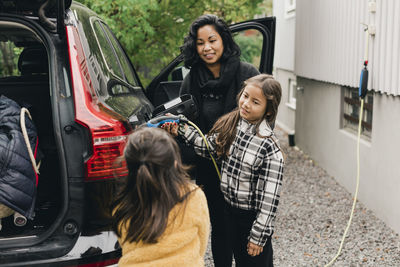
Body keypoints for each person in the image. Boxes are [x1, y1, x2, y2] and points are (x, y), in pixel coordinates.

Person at [164, 74, 284, 267]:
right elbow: (208, 147)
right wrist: (181, 129)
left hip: (250, 220)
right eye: (245, 96)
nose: (246, 104)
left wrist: (258, 237)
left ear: (268, 111)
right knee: (236, 257)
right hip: (230, 213)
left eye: (255, 102)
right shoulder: (233, 126)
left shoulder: (269, 147)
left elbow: (269, 201)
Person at [179, 14, 260, 266]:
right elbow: (186, 122)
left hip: (244, 169)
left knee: (246, 228)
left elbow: (264, 117)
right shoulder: (192, 80)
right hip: (209, 168)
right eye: (201, 43)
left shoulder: (247, 74)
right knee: (220, 228)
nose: (207, 48)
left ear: (223, 40)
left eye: (212, 40)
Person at [111, 127, 210, 267]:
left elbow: (125, 244)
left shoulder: (123, 202)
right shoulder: (193, 196)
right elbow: (202, 240)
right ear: (175, 163)